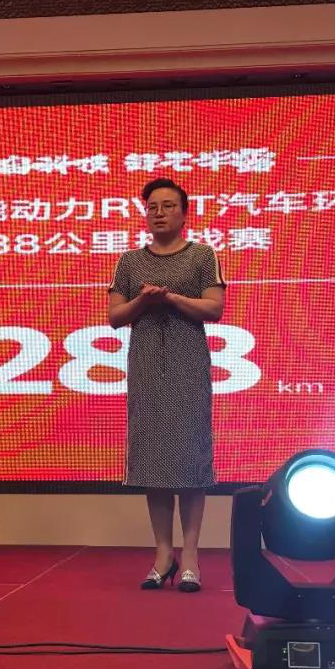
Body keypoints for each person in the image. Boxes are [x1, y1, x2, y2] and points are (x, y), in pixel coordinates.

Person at [107, 177, 226, 593]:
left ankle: (190, 555)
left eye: (168, 206)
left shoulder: (202, 255)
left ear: (184, 212)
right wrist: (143, 300)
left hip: (187, 367)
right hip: (146, 369)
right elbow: (115, 317)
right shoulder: (129, 262)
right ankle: (162, 554)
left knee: (191, 461)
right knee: (153, 461)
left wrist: (172, 298)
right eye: (152, 207)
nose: (159, 213)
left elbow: (215, 308)